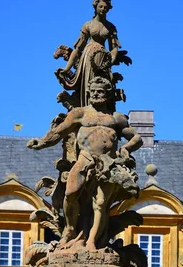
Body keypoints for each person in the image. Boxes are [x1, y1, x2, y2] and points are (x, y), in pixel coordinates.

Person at [27, 76, 142, 250]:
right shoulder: (80, 114)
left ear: (108, 94)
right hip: (85, 160)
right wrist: (42, 142)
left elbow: (137, 138)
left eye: (101, 91)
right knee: (70, 194)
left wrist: (126, 149)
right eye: (93, 91)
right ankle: (71, 229)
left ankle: (91, 241)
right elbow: (58, 132)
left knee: (101, 204)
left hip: (108, 165)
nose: (96, 94)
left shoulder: (116, 118)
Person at [56, 0, 128, 108]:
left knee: (103, 85)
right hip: (88, 57)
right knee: (88, 85)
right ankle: (86, 110)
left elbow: (114, 48)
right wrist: (67, 68)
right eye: (101, 6)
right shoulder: (88, 25)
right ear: (96, 7)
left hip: (104, 59)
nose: (103, 9)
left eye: (105, 7)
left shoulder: (111, 27)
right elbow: (78, 49)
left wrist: (111, 60)